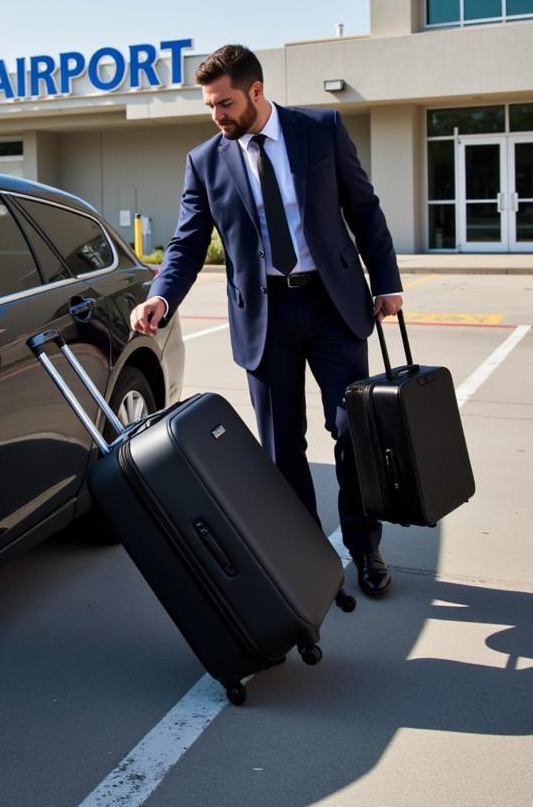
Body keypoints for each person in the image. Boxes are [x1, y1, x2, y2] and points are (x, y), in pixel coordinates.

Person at [130, 44, 403, 597]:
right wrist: (162, 295)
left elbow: (364, 208)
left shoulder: (320, 130)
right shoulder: (206, 159)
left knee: (351, 432)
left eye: (225, 103)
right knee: (281, 445)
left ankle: (364, 546)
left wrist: (388, 281)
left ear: (255, 91)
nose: (217, 116)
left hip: (333, 306)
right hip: (264, 315)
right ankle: (304, 558)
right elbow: (187, 242)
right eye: (210, 106)